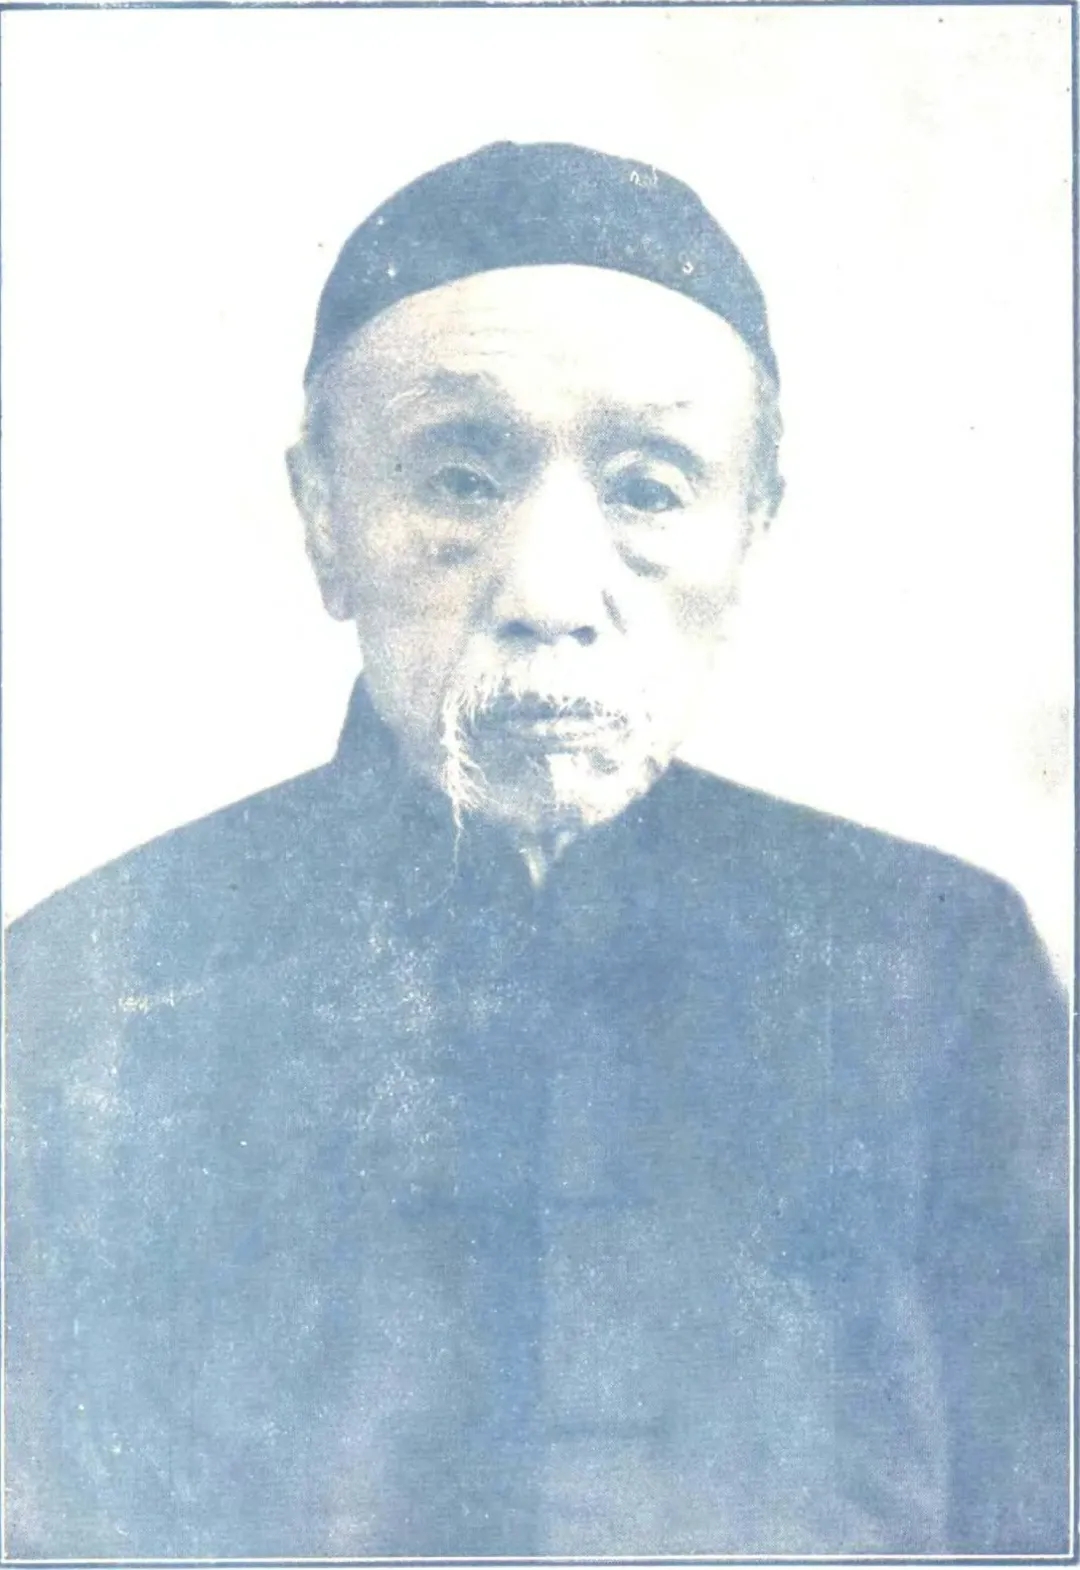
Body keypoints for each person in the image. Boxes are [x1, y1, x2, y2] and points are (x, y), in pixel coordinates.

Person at [4, 141, 1069, 1560]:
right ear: (325, 518)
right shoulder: (88, 985)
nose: (551, 593)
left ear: (752, 526)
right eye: (459, 477)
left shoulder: (936, 964)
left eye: (650, 489)